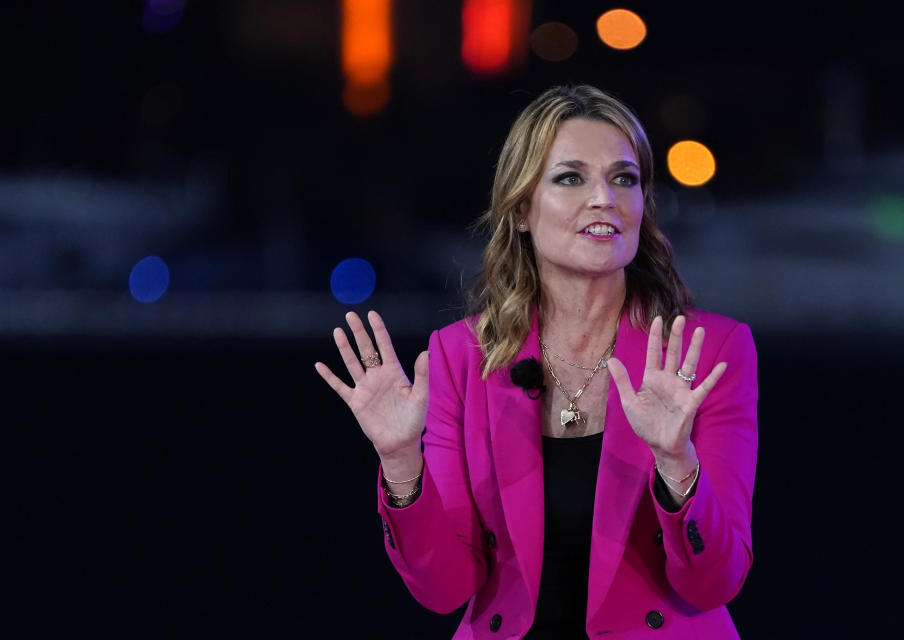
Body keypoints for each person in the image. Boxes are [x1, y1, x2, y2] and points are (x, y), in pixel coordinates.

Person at [315, 84, 758, 639]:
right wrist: (401, 460)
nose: (605, 198)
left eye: (624, 178)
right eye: (571, 177)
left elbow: (714, 583)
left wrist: (676, 465)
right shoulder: (462, 356)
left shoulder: (710, 349)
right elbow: (445, 589)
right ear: (522, 209)